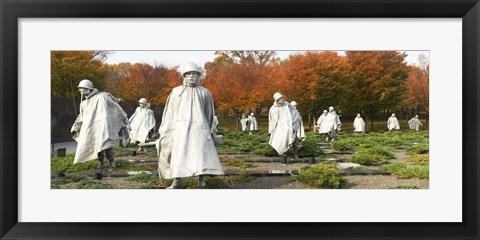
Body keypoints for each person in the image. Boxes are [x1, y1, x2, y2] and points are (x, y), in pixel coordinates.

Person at [157, 62, 224, 189]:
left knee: (200, 154)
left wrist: (211, 129)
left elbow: (209, 113)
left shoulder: (205, 93)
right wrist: (167, 129)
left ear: (199, 76)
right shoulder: (176, 92)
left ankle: (202, 180)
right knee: (178, 154)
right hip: (180, 129)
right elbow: (170, 113)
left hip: (199, 128)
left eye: (194, 73)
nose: (191, 76)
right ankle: (177, 181)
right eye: (188, 74)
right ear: (184, 76)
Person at [71, 79, 129, 172]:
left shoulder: (102, 97)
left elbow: (116, 107)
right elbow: (81, 116)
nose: (79, 90)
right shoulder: (84, 103)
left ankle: (112, 162)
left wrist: (126, 120)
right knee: (97, 145)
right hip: (92, 128)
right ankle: (101, 162)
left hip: (104, 126)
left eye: (81, 88)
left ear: (88, 89)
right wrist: (76, 126)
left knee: (107, 144)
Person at [268, 93, 304, 163]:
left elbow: (295, 113)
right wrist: (271, 130)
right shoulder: (272, 109)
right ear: (276, 100)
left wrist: (294, 124)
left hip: (289, 126)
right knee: (282, 141)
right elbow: (271, 120)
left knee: (293, 140)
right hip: (279, 128)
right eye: (279, 99)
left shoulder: (287, 105)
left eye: (281, 98)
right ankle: (284, 154)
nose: (281, 100)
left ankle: (295, 153)